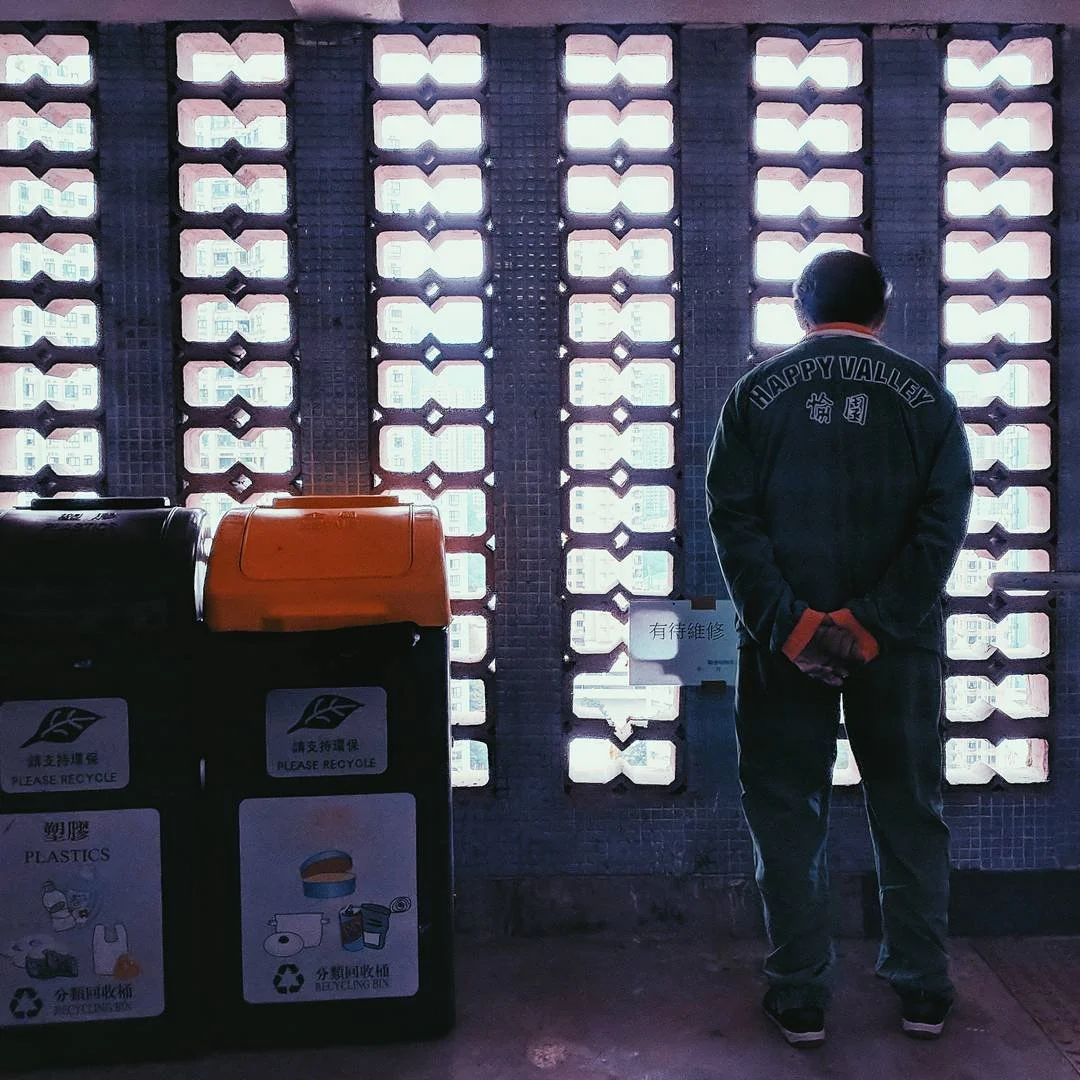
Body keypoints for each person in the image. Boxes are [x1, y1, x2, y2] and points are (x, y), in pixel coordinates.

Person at [705, 250, 974, 1047]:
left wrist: (791, 626)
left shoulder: (755, 395)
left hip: (781, 650)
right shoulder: (926, 397)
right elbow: (943, 521)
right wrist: (875, 622)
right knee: (908, 812)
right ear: (882, 311)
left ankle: (800, 996)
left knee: (788, 814)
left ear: (800, 310)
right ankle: (923, 991)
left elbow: (732, 517)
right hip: (898, 648)